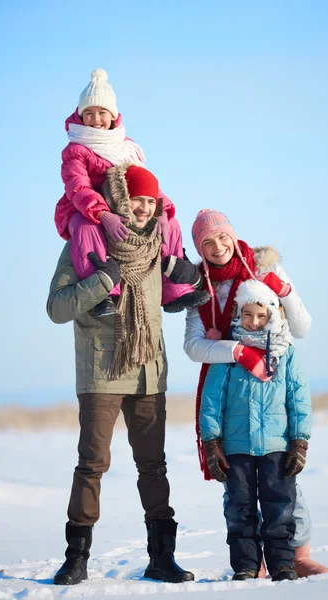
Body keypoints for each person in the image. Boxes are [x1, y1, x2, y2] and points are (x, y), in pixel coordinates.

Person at [47, 164, 194, 586]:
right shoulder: (85, 240)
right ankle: (76, 557)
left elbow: (179, 292)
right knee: (92, 464)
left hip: (149, 371)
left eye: (150, 201)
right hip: (102, 371)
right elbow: (57, 308)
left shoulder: (158, 249)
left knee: (154, 466)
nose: (144, 208)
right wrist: (102, 280)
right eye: (136, 199)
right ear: (118, 201)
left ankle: (162, 558)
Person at [168, 208, 328, 578]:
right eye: (206, 241)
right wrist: (236, 350)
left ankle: (295, 555)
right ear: (199, 247)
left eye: (221, 237)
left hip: (273, 377)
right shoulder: (199, 286)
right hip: (230, 385)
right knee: (239, 489)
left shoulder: (260, 266)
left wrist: (283, 290)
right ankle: (250, 561)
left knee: (283, 485)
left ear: (232, 235)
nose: (217, 246)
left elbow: (301, 326)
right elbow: (194, 347)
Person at [54, 68, 209, 316]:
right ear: (81, 117)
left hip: (124, 207)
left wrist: (161, 210)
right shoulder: (76, 150)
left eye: (102, 113)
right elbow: (78, 187)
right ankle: (103, 292)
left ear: (113, 116)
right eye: (89, 113)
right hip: (83, 208)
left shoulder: (124, 147)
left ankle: (175, 289)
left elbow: (144, 182)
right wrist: (104, 215)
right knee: (86, 228)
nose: (96, 119)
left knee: (170, 223)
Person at [200, 278, 312, 581]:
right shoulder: (228, 354)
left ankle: (282, 565)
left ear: (273, 315)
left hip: (277, 447)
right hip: (237, 447)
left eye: (261, 315)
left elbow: (298, 400)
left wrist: (299, 442)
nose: (254, 321)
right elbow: (212, 402)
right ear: (239, 314)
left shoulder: (286, 354)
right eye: (248, 314)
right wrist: (212, 444)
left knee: (280, 508)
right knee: (239, 509)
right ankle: (246, 565)